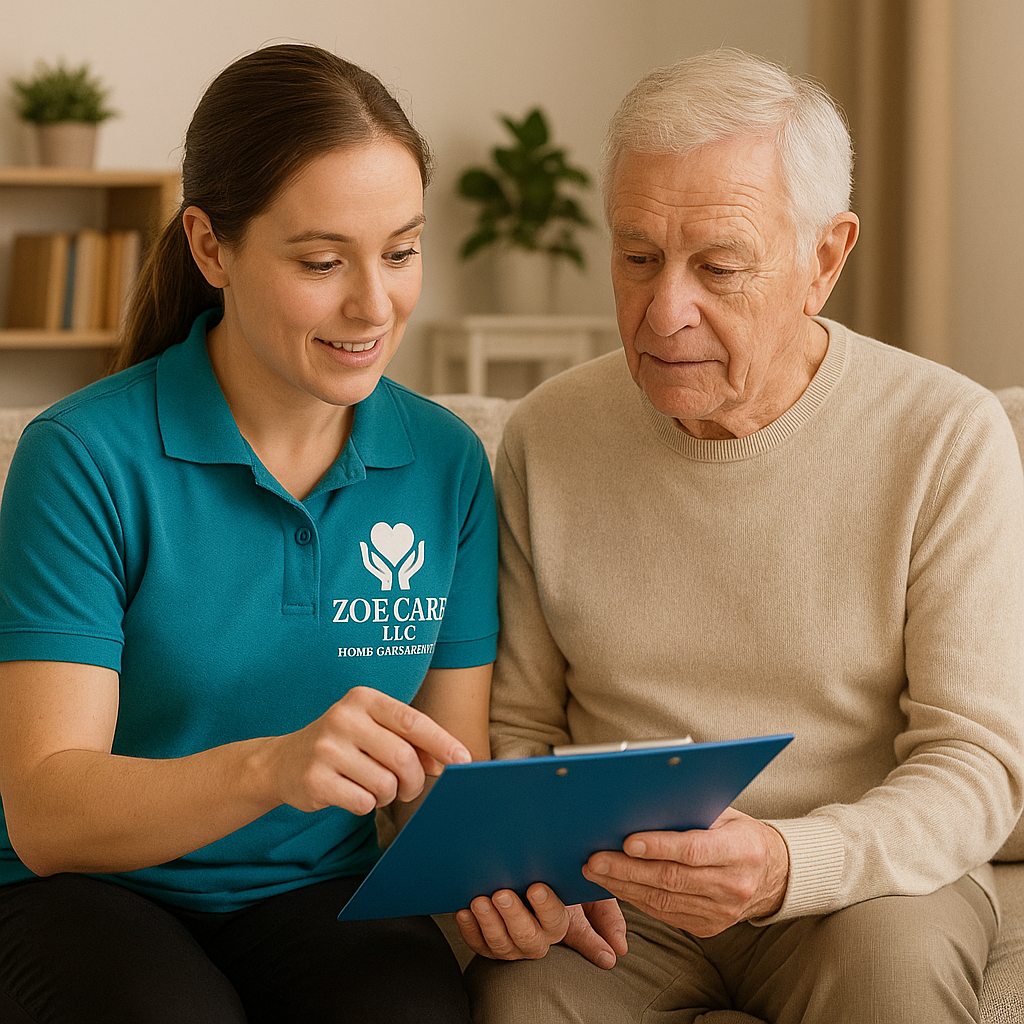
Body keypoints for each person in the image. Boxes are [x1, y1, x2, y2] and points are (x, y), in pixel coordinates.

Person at [464, 48, 1024, 1023]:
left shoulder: (945, 435)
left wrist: (782, 862)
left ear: (824, 258)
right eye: (637, 258)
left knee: (892, 982)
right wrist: (521, 869)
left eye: (718, 266)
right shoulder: (544, 436)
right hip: (617, 892)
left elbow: (974, 765)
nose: (664, 308)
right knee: (514, 1000)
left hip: (863, 885)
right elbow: (516, 732)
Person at [0, 43, 510, 1024]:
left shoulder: (447, 465)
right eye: (322, 262)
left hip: (315, 895)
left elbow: (433, 791)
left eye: (400, 251)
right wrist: (271, 765)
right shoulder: (82, 457)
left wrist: (504, 873)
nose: (374, 304)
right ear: (210, 246)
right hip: (83, 893)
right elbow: (46, 811)